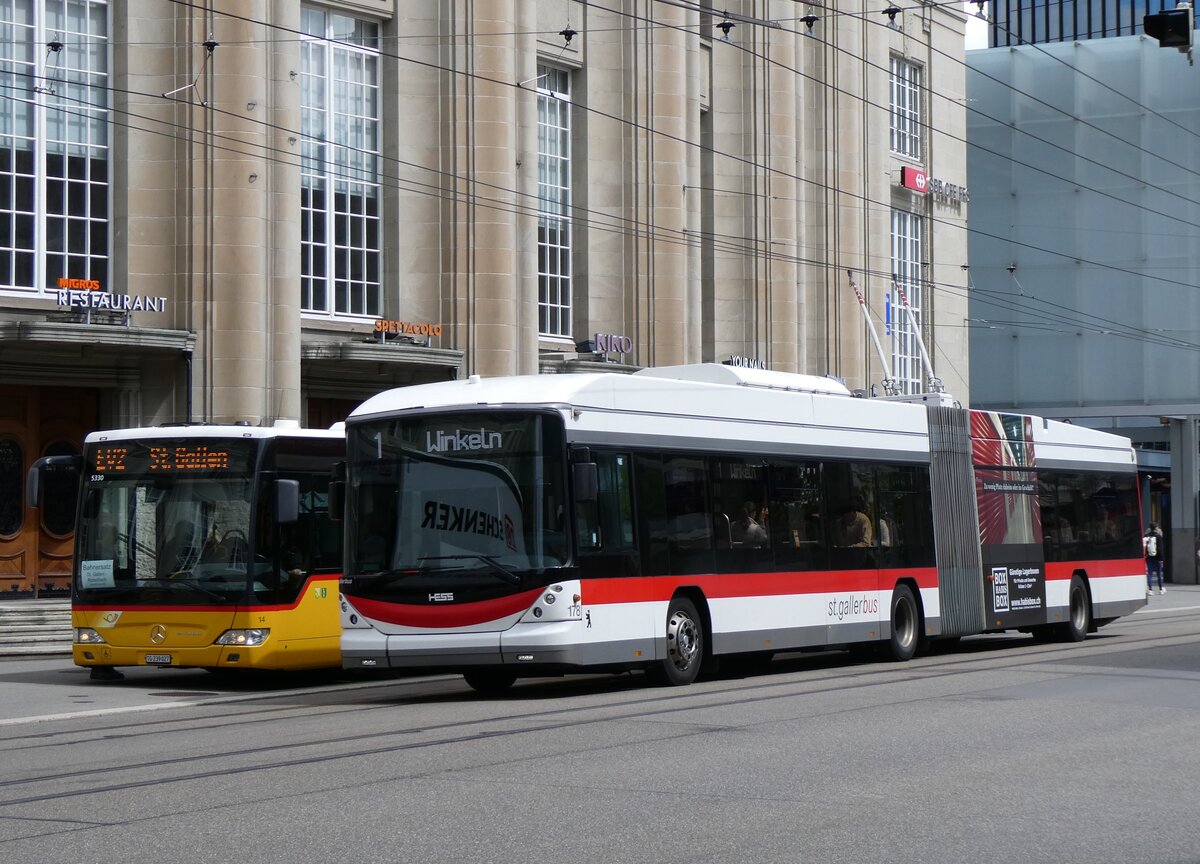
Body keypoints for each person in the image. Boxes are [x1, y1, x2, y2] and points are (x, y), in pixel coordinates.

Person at [1144, 521, 1165, 595]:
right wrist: (1161, 559)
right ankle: (1161, 589)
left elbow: (1144, 547)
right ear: (1156, 528)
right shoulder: (1158, 536)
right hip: (1157, 557)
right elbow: (1160, 549)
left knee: (1150, 573)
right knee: (1159, 573)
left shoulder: (1146, 536)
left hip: (1148, 557)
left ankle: (1150, 590)